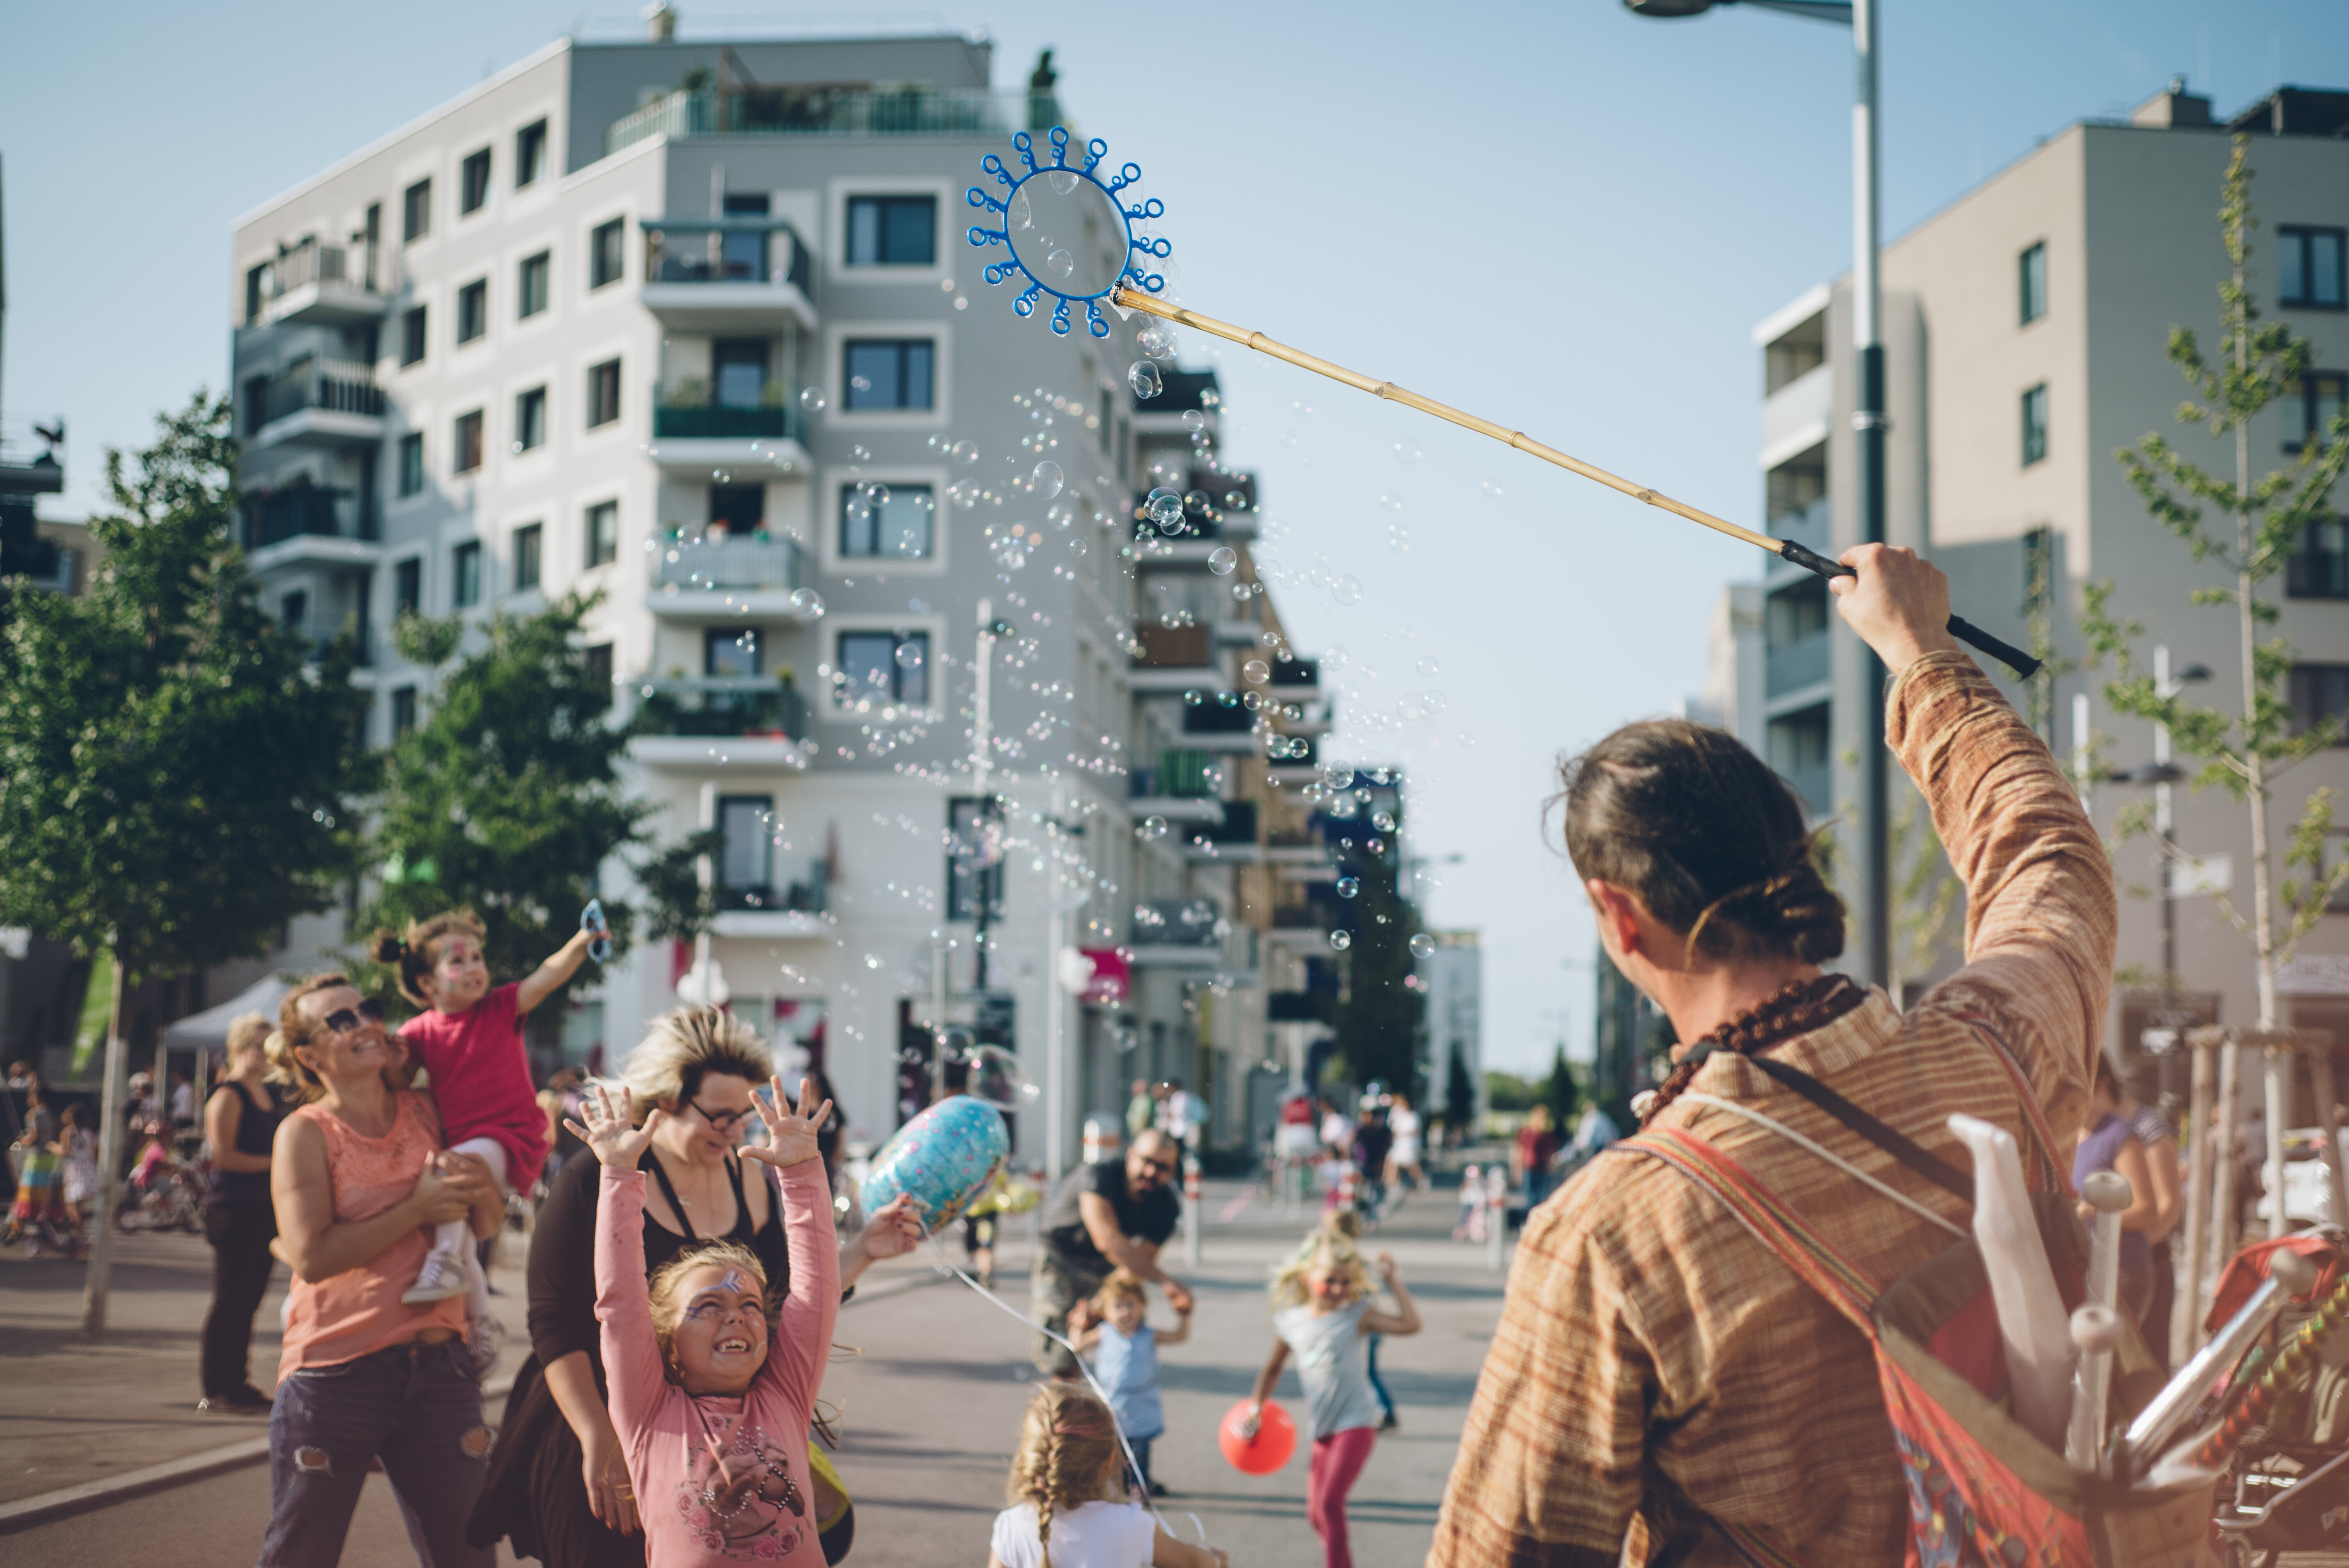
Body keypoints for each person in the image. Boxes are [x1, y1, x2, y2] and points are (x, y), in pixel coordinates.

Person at [1431, 546, 2115, 1564]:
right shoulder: (1995, 1054)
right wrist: (1920, 654)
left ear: (1618, 919)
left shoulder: (1614, 1233)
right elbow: (2047, 859)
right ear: (1794, 860)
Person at [469, 1008, 922, 1568]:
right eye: (720, 1116)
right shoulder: (595, 1176)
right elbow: (558, 1320)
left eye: (742, 1117)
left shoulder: (749, 1174)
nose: (735, 1131)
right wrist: (601, 1438)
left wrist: (861, 1251)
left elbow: (794, 1302)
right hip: (604, 1404)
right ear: (666, 1105)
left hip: (729, 1417)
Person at [260, 973, 506, 1568]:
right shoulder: (305, 1133)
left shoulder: (427, 1109)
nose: (365, 1023)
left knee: (469, 1556)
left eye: (367, 1009)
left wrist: (485, 1193)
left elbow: (486, 1225)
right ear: (309, 1055)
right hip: (336, 1373)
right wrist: (417, 1209)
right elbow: (313, 1256)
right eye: (340, 1021)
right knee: (303, 1555)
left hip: (443, 1368)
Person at [571, 1073, 837, 1566]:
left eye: (750, 1306)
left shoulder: (786, 1394)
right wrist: (620, 1176)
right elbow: (621, 1301)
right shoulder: (648, 1411)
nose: (736, 1318)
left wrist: (802, 1173)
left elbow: (817, 1291)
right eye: (710, 1307)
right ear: (669, 1341)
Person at [376, 909, 593, 1320]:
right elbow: (398, 1079)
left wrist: (582, 940)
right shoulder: (418, 1031)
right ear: (427, 982)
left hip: (511, 1136)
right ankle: (481, 1326)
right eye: (458, 960)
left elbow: (547, 974)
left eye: (477, 957)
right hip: (467, 1144)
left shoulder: (499, 1007)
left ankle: (443, 1263)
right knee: (462, 1236)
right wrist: (389, 1055)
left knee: (451, 1177)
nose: (475, 967)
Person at [1240, 1232, 1422, 1568]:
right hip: (1322, 1429)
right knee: (1315, 1514)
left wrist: (1393, 1281)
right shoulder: (1292, 1321)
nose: (1339, 1289)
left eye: (1346, 1282)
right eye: (1330, 1281)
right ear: (1308, 1278)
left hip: (1357, 1424)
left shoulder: (1357, 1315)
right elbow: (1273, 1367)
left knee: (1329, 1504)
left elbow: (1411, 1325)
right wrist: (1256, 1409)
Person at [987, 1383, 1226, 1568]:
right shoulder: (1130, 1524)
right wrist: (1216, 1558)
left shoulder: (1011, 1526)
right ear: (1110, 1460)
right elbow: (1194, 1563)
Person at [1032, 1130, 1191, 1379]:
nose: (1151, 1172)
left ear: (1171, 1172)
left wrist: (1101, 1303)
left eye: (1162, 1167)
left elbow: (1141, 1262)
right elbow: (1107, 1240)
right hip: (1062, 1259)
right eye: (1147, 1161)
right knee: (1062, 1353)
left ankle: (1116, 1401)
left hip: (1108, 1268)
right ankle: (1061, 1400)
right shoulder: (1097, 1176)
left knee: (1126, 1335)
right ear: (1130, 1155)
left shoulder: (1166, 1206)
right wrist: (1166, 1281)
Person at [199, 1014, 284, 1414]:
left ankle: (238, 1380)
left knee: (249, 1302)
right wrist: (280, 1162)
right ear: (237, 1047)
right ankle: (218, 1386)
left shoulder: (271, 1093)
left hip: (263, 1210)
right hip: (234, 1210)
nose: (265, 1055)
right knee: (231, 1300)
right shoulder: (228, 1094)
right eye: (258, 1047)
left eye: (271, 1047)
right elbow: (225, 1156)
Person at [1071, 1267, 1189, 1496]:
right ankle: (1120, 1485)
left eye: (1131, 1305)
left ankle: (1141, 1486)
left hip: (1142, 1402)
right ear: (1106, 1312)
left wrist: (1184, 1316)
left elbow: (1180, 1336)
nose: (1125, 1312)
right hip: (1113, 1401)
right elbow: (1076, 1345)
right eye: (1118, 1307)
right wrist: (1078, 1324)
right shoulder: (1105, 1333)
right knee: (1115, 1449)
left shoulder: (1149, 1335)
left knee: (1141, 1448)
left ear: (1143, 1306)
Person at [2075, 1055, 2160, 1325]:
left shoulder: (2118, 1133)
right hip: (2091, 1271)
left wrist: (2090, 1212)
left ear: (2102, 1086)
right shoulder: (2079, 1135)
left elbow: (2146, 1212)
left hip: (2121, 1274)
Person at [2123, 1083, 2184, 1367]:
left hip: (2148, 1264)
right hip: (2119, 1265)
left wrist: (2131, 1253)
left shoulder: (2147, 1125)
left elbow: (2169, 1207)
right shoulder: (2095, 1126)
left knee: (2148, 1367)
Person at [539, 1067, 589, 1188]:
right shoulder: (569, 1104)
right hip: (580, 1151)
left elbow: (555, 1140)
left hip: (567, 1155)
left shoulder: (555, 1111)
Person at [56, 1103, 98, 1229]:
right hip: (89, 1168)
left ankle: (78, 1231)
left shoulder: (68, 1132)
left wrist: (52, 1147)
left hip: (75, 1169)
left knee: (71, 1203)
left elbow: (65, 1151)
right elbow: (94, 1151)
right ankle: (81, 1231)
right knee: (80, 1206)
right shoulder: (89, 1132)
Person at [1511, 1105, 1559, 1208]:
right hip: (1530, 1167)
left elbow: (1550, 1153)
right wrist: (1517, 1170)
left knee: (1538, 1198)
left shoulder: (1546, 1134)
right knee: (1531, 1198)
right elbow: (1520, 1151)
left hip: (1538, 1167)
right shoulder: (1529, 1132)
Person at [1385, 1094, 1425, 1195]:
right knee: (1392, 1162)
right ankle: (1392, 1184)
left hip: (1409, 1146)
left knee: (1412, 1166)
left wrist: (1402, 1134)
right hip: (1398, 1146)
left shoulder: (1412, 1116)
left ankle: (1422, 1181)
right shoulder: (1396, 1116)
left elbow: (1414, 1131)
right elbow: (1391, 1127)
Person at [1125, 1078, 1157, 1142]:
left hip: (1143, 1132)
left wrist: (1138, 1129)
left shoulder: (1146, 1100)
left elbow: (1145, 1116)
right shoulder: (1137, 1099)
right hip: (1137, 1131)